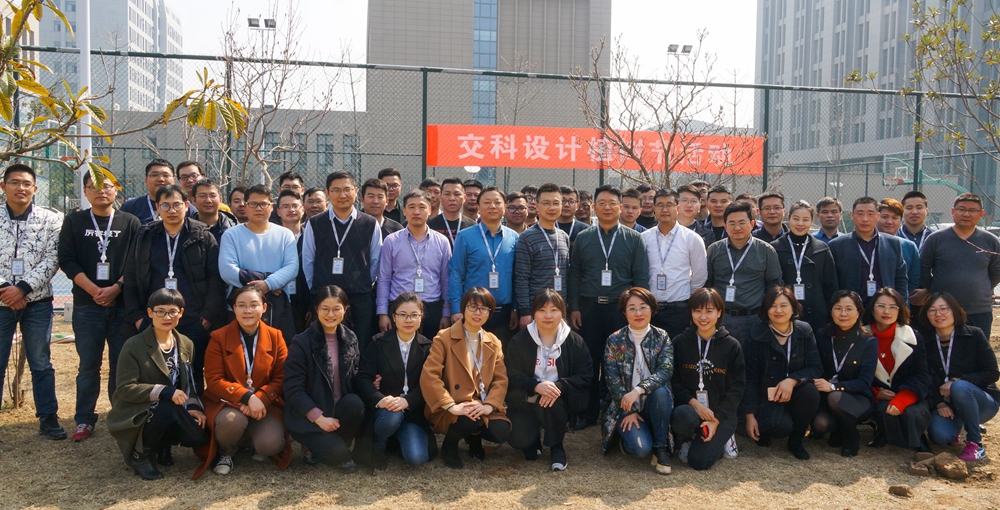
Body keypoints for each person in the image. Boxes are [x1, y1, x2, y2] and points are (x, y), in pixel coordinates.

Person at [58, 171, 141, 443]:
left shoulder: (130, 222)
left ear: (116, 189)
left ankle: (119, 416)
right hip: (87, 305)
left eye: (106, 186)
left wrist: (117, 287)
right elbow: (67, 260)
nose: (100, 191)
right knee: (88, 367)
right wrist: (94, 290)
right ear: (84, 191)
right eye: (93, 186)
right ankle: (84, 419)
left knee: (121, 365)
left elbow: (136, 260)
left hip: (121, 305)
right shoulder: (74, 221)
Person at [122, 185, 225, 394]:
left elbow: (215, 278)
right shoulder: (145, 235)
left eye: (177, 204)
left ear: (186, 205)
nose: (171, 210)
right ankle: (160, 410)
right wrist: (137, 317)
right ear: (157, 207)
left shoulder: (203, 235)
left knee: (193, 372)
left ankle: (193, 409)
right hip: (154, 317)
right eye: (165, 205)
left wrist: (207, 316)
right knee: (155, 372)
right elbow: (131, 276)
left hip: (193, 317)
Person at [569, 184, 649, 430]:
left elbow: (640, 278)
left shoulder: (634, 239)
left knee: (619, 362)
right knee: (589, 361)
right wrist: (574, 307)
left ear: (620, 207)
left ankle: (618, 410)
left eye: (612, 203)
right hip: (589, 308)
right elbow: (575, 275)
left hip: (620, 310)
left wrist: (636, 311)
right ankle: (588, 412)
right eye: (602, 203)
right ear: (594, 207)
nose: (607, 207)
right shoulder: (583, 238)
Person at [107, 289, 209, 480]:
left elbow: (190, 381)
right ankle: (141, 456)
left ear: (181, 313)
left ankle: (163, 445)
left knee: (198, 436)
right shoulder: (133, 345)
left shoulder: (186, 343)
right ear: (149, 313)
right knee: (164, 406)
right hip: (138, 409)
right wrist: (165, 392)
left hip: (173, 407)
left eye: (172, 311)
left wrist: (193, 407)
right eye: (160, 311)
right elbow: (125, 388)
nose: (166, 317)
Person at [194, 286, 292, 477]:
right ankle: (226, 452)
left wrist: (260, 398)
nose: (248, 310)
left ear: (264, 307)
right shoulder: (219, 337)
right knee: (231, 422)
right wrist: (247, 397)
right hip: (228, 403)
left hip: (264, 404)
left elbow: (282, 377)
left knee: (270, 444)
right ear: (234, 308)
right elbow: (214, 380)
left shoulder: (275, 336)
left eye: (253, 305)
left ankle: (251, 443)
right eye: (241, 305)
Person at [0, 164, 65, 440]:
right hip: (1, 301)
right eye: (15, 182)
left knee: (41, 361)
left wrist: (23, 289)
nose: (21, 188)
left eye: (26, 183)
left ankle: (48, 418)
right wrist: (5, 289)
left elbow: (52, 259)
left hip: (37, 301)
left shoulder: (51, 220)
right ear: (3, 186)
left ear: (35, 188)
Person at [421, 287, 511, 469]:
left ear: (490, 313)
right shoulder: (444, 337)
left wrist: (489, 405)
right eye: (473, 307)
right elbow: (430, 375)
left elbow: (500, 379)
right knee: (469, 418)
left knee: (501, 429)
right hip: (451, 405)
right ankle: (450, 444)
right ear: (463, 308)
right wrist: (451, 406)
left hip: (480, 404)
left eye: (483, 309)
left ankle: (474, 438)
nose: (478, 313)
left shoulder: (494, 342)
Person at [505, 289, 591, 471]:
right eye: (542, 310)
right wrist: (536, 386)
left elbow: (585, 375)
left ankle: (556, 446)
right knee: (522, 443)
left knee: (552, 401)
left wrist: (559, 386)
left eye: (554, 310)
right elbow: (512, 373)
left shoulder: (574, 341)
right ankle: (533, 440)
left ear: (562, 312)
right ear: (534, 313)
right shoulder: (520, 340)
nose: (548, 316)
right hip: (527, 398)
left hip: (557, 400)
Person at [283, 286, 366, 469]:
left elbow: (354, 375)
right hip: (307, 416)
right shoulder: (301, 342)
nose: (330, 314)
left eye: (336, 309)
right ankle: (318, 446)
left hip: (337, 410)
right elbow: (293, 388)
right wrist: (319, 418)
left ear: (345, 310)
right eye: (325, 309)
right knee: (337, 454)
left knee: (355, 403)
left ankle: (336, 444)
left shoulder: (350, 338)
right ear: (316, 309)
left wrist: (371, 382)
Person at [355, 293, 437, 471]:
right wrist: (380, 399)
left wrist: (408, 401)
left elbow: (431, 383)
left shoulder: (428, 347)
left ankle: (397, 438)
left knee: (417, 457)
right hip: (386, 411)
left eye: (414, 315)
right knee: (393, 416)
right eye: (402, 314)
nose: (408, 320)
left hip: (412, 413)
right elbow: (363, 378)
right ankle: (379, 445)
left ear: (421, 317)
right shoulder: (378, 342)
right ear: (394, 317)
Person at [302, 172, 382, 350]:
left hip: (359, 298)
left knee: (359, 346)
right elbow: (308, 261)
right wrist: (317, 290)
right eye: (336, 190)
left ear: (356, 191)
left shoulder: (370, 223)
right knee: (324, 347)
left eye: (347, 189)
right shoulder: (315, 223)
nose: (342, 195)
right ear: (327, 193)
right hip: (325, 298)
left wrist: (363, 284)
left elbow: (376, 260)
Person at [743, 287, 822, 460]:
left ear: (793, 308)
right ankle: (767, 427)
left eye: (784, 305)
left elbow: (816, 367)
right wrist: (749, 416)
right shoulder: (756, 335)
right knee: (780, 428)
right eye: (773, 306)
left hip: (795, 392)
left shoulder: (804, 331)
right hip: (766, 397)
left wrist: (792, 380)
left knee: (810, 392)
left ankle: (796, 440)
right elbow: (749, 378)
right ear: (766, 310)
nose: (778, 310)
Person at [601, 287, 673, 474]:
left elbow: (665, 371)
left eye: (643, 307)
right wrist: (628, 411)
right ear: (624, 313)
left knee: (660, 391)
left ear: (652, 309)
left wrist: (638, 390)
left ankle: (660, 448)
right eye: (632, 308)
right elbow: (612, 379)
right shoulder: (614, 340)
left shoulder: (662, 337)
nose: (638, 313)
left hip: (654, 404)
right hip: (624, 406)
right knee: (641, 450)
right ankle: (625, 440)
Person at [919, 292, 999, 461]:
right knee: (939, 436)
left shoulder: (974, 334)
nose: (938, 314)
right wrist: (939, 402)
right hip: (947, 404)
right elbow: (923, 377)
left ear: (954, 311)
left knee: (959, 387)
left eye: (943, 309)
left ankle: (976, 444)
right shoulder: (924, 341)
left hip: (980, 401)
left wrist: (958, 380)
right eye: (932, 310)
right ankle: (958, 427)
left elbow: (992, 372)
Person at [671, 287, 745, 470]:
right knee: (681, 416)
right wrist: (695, 404)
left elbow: (737, 388)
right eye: (698, 311)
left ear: (719, 313)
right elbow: (673, 381)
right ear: (691, 312)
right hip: (691, 410)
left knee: (699, 462)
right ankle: (688, 438)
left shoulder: (732, 346)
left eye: (709, 311)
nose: (703, 317)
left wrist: (716, 419)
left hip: (720, 413)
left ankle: (724, 437)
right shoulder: (680, 342)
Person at [218, 184, 299, 342]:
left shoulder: (285, 234)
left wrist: (269, 284)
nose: (258, 208)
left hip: (277, 305)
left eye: (263, 204)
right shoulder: (231, 235)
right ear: (246, 206)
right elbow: (227, 270)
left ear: (271, 207)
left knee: (280, 351)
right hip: (242, 305)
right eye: (253, 204)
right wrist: (266, 283)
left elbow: (292, 267)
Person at [914, 193, 1000, 334]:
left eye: (972, 210)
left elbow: (996, 272)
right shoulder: (936, 239)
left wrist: (982, 288)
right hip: (942, 309)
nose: (966, 214)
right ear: (953, 211)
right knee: (942, 346)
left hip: (979, 310)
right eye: (961, 209)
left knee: (977, 346)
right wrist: (933, 288)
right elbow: (923, 268)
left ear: (981, 214)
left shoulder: (990, 241)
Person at [862, 287, 932, 451]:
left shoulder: (913, 336)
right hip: (878, 395)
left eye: (893, 307)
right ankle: (883, 433)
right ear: (872, 309)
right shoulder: (862, 336)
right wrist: (875, 392)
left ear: (900, 310)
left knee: (913, 412)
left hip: (909, 392)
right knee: (882, 409)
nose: (887, 311)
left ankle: (919, 439)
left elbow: (921, 375)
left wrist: (902, 399)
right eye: (881, 306)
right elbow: (853, 373)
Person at [704, 200, 782, 346]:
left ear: (752, 224)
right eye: (732, 223)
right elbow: (708, 283)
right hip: (721, 318)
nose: (737, 227)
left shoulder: (766, 250)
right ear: (725, 226)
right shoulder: (714, 250)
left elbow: (774, 285)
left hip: (753, 318)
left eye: (742, 222)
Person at [378, 190, 452, 340]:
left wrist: (446, 313)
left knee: (431, 351)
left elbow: (446, 280)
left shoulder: (442, 242)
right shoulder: (391, 241)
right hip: (400, 308)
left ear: (430, 210)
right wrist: (383, 313)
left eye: (422, 207)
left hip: (432, 308)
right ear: (404, 211)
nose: (416, 212)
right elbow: (384, 279)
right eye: (411, 207)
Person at [811, 290, 877, 457]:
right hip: (825, 395)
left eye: (849, 309)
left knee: (835, 396)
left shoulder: (868, 341)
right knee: (821, 424)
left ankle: (851, 434)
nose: (843, 314)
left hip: (857, 397)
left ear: (858, 312)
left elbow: (864, 382)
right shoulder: (822, 335)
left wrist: (834, 386)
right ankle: (839, 428)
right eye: (838, 308)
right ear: (831, 310)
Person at [449, 186, 519, 341]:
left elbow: (517, 276)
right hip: (474, 311)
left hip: (504, 313)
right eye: (487, 202)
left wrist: (515, 308)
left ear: (504, 207)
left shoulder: (514, 238)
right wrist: (456, 309)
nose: (492, 206)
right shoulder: (465, 237)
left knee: (499, 354)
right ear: (479, 207)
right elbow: (456, 274)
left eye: (497, 202)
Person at [642, 188, 707, 339]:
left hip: (679, 310)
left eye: (669, 205)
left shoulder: (692, 238)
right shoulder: (644, 238)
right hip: (650, 309)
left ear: (677, 208)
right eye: (660, 205)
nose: (665, 209)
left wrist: (688, 300)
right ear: (654, 209)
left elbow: (700, 275)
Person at [771, 200, 838, 333]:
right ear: (788, 218)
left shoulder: (822, 249)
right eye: (796, 219)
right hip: (784, 314)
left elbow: (831, 286)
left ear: (812, 221)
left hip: (817, 316)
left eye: (805, 219)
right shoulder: (775, 248)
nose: (800, 224)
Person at [828, 197, 909, 301]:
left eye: (870, 214)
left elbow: (901, 278)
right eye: (860, 214)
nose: (865, 219)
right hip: (851, 306)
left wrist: (901, 303)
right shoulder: (836, 245)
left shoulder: (892, 243)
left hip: (884, 306)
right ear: (852, 215)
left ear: (878, 216)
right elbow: (832, 282)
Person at [513, 183, 571, 329]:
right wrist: (525, 312)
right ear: (537, 206)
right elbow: (521, 277)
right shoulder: (527, 237)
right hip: (537, 310)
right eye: (546, 203)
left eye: (556, 203)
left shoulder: (564, 236)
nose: (552, 208)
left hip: (559, 310)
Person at [877, 198, 921, 288]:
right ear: (876, 217)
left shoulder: (909, 247)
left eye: (895, 218)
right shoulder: (866, 244)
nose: (889, 222)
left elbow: (915, 279)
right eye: (885, 217)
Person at [120, 159, 177, 224]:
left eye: (166, 175)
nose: (161, 179)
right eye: (154, 175)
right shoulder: (129, 207)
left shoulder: (182, 206)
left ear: (174, 180)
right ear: (146, 180)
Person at [427, 177, 475, 247]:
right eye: (447, 194)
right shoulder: (429, 225)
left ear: (464, 198)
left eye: (457, 194)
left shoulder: (472, 226)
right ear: (440, 198)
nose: (452, 198)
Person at [190, 178, 237, 243]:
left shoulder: (233, 228)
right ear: (193, 200)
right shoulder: (185, 229)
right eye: (202, 196)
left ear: (220, 200)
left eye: (213, 196)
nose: (208, 200)